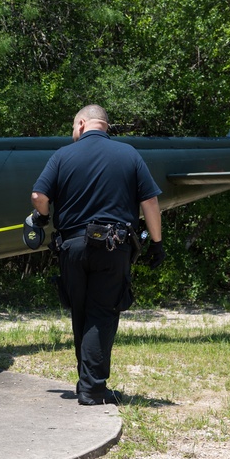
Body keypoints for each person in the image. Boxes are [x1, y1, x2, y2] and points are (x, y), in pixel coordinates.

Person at [29, 104, 165, 406]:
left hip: (72, 247)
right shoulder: (129, 154)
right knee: (102, 313)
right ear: (104, 125)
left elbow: (39, 196)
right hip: (113, 246)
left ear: (81, 123)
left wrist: (42, 218)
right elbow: (150, 202)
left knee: (81, 312)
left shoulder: (62, 155)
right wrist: (156, 242)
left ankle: (87, 383)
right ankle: (92, 388)